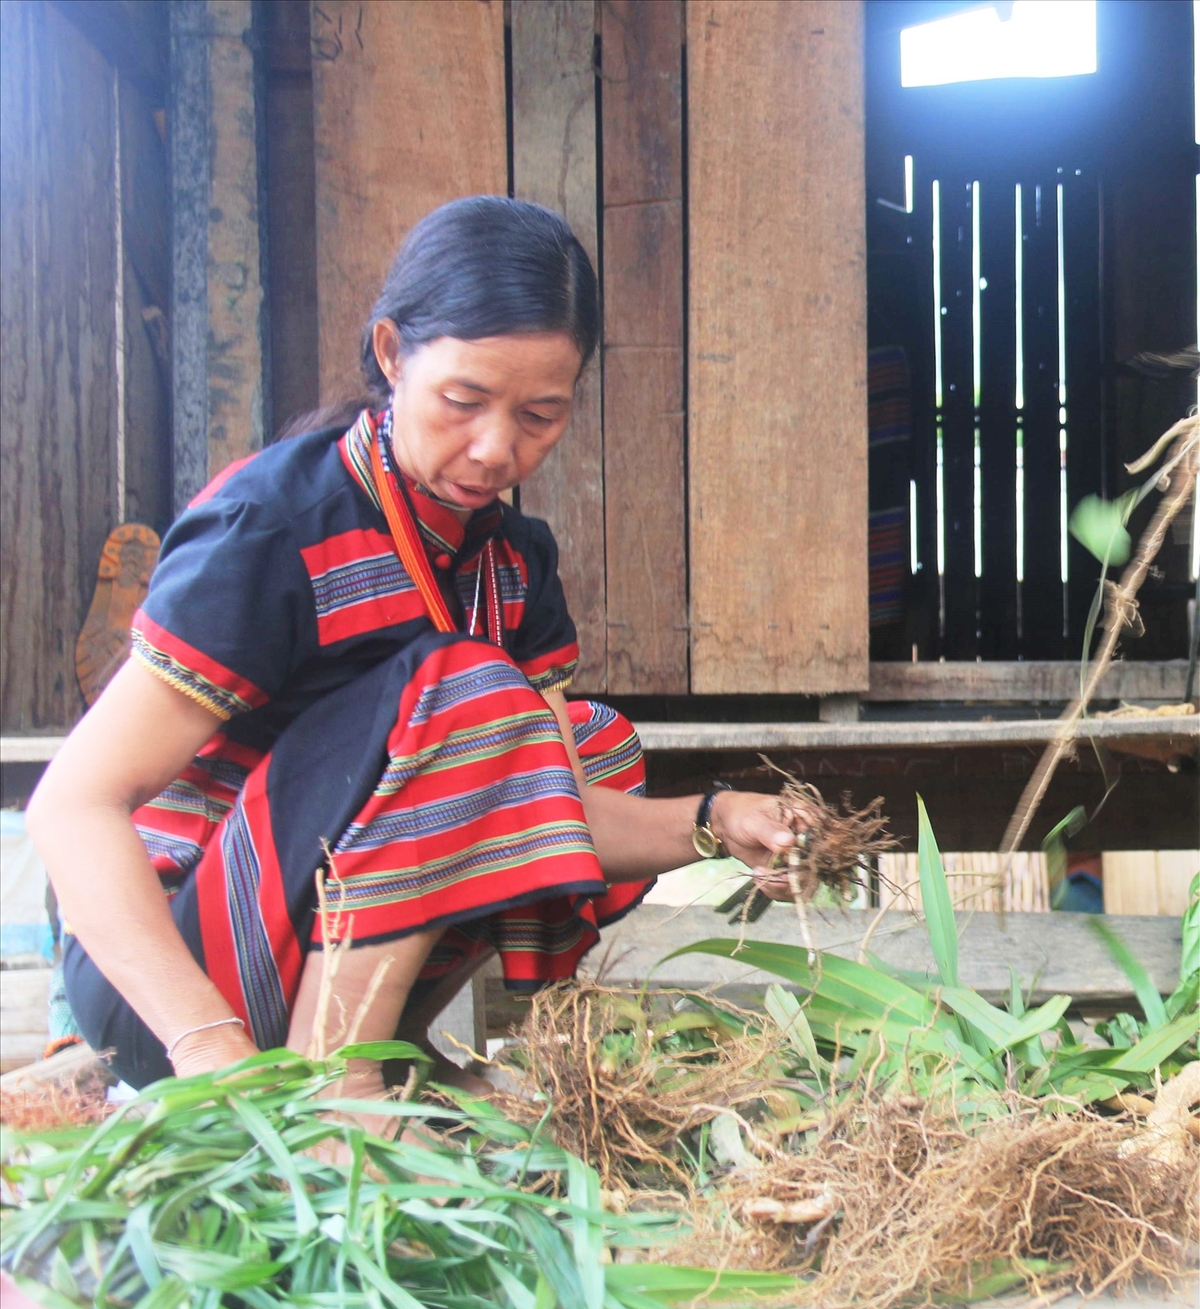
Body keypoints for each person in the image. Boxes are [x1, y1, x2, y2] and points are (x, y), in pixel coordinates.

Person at [27, 197, 801, 1108]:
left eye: (540, 415)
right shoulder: (273, 528)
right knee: (470, 696)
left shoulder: (513, 562)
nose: (496, 448)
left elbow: (558, 807)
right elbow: (71, 805)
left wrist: (715, 820)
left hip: (285, 977)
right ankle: (338, 1092)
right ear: (392, 354)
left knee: (590, 745)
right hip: (179, 987)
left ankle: (383, 1050)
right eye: (462, 402)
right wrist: (207, 1045)